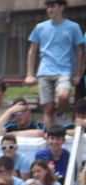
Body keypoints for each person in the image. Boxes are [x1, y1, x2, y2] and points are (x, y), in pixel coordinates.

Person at [25, 0, 83, 130]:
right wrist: (30, 74)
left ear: (62, 7)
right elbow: (32, 51)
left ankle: (60, 114)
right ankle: (49, 135)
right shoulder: (40, 27)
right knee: (48, 108)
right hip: (44, 71)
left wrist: (77, 73)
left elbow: (80, 51)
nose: (49, 10)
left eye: (53, 6)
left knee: (63, 95)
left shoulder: (73, 27)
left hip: (64, 70)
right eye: (48, 7)